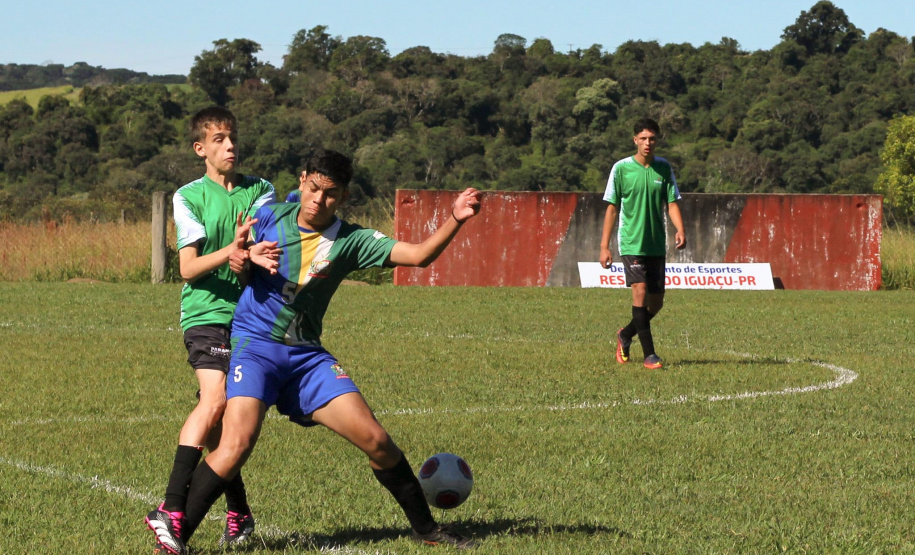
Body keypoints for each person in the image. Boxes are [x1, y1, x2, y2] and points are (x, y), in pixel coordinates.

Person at [158, 149, 481, 551]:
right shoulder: (268, 218)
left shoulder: (351, 240)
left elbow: (418, 256)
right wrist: (243, 256)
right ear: (302, 180)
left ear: (342, 196)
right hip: (255, 348)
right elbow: (236, 259)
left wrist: (454, 219)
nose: (318, 201)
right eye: (313, 189)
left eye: (330, 194)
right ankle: (174, 538)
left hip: (307, 357)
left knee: (377, 441)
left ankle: (426, 529)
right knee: (236, 444)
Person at [145, 106, 278, 555]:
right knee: (215, 399)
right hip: (205, 314)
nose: (230, 146)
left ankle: (238, 512)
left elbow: (261, 247)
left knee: (228, 420)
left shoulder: (261, 191)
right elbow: (188, 268)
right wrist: (231, 253)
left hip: (251, 318)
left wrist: (250, 255)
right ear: (200, 149)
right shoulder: (189, 196)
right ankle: (171, 508)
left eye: (233, 137)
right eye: (219, 139)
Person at [599, 118, 686, 370]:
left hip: (656, 244)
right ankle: (650, 355)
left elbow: (671, 203)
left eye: (652, 138)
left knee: (656, 302)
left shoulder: (663, 168)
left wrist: (680, 229)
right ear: (635, 140)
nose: (648, 143)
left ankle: (625, 334)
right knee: (639, 290)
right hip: (631, 242)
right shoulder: (621, 169)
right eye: (643, 138)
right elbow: (612, 208)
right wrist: (604, 246)